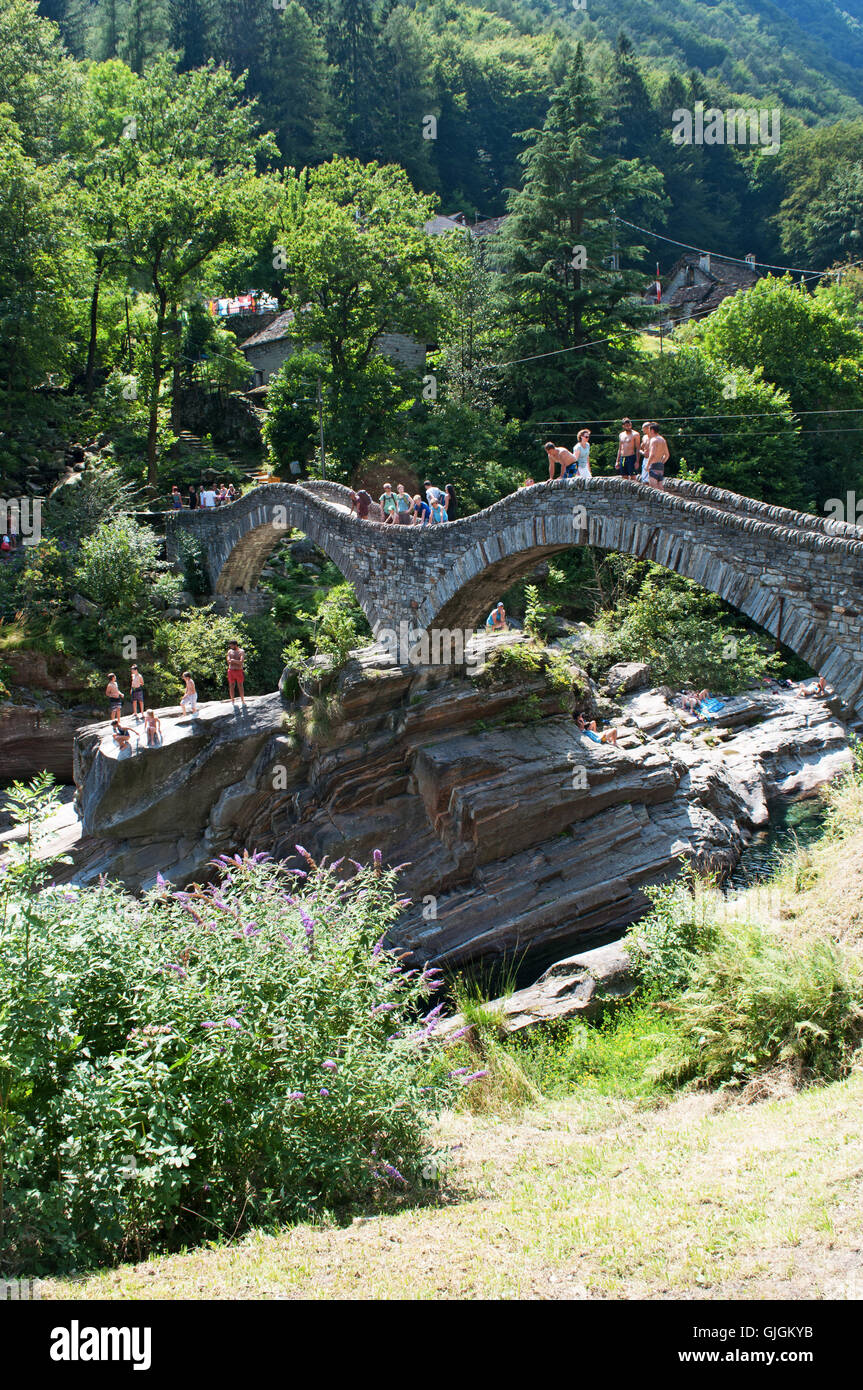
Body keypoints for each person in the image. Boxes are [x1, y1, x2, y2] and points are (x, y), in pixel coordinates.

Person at [645, 422, 669, 490]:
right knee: (660, 487)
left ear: (652, 430)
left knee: (654, 489)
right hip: (660, 466)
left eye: (649, 430)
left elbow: (652, 454)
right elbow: (667, 455)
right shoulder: (663, 440)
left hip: (653, 465)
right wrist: (662, 462)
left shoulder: (654, 440)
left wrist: (647, 465)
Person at [226, 640, 246, 709]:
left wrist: (233, 661)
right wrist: (233, 661)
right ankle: (232, 700)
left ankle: (242, 700)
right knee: (231, 685)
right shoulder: (229, 651)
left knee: (240, 685)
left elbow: (241, 662)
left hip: (239, 670)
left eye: (231, 645)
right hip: (231, 670)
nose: (230, 646)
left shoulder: (241, 651)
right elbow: (228, 661)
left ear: (235, 645)